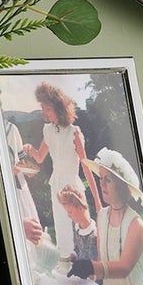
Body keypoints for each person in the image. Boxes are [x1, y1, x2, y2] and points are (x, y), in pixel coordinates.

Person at [69, 148, 143, 285]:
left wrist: (90, 267)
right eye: (100, 178)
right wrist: (80, 270)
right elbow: (102, 260)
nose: (101, 184)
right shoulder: (101, 216)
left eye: (108, 180)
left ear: (121, 186)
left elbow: (123, 269)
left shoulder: (135, 224)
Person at [20, 83, 96, 259]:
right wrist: (30, 148)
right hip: (57, 187)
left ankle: (87, 270)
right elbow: (39, 157)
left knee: (81, 229)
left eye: (48, 108)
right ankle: (68, 273)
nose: (45, 113)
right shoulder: (48, 130)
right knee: (62, 232)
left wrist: (98, 202)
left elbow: (86, 166)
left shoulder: (74, 132)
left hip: (73, 186)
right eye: (43, 108)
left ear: (59, 107)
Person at [23, 184, 110, 285]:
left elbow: (96, 264)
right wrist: (71, 256)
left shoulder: (95, 234)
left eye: (70, 212)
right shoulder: (76, 227)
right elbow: (78, 249)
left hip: (92, 281)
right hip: (79, 278)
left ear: (80, 208)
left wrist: (81, 268)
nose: (68, 216)